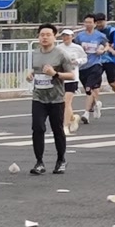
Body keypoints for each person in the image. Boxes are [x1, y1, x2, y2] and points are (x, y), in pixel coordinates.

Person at [27, 23, 75, 175]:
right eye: (42, 35)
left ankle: (61, 160)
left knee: (57, 130)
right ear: (38, 37)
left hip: (56, 98)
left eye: (48, 35)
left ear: (54, 37)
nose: (45, 38)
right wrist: (30, 74)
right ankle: (39, 162)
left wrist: (55, 74)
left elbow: (71, 75)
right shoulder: (35, 53)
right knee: (37, 128)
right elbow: (36, 69)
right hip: (38, 97)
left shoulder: (61, 54)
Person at [72, 15, 106, 125]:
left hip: (95, 64)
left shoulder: (100, 36)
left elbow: (107, 45)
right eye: (86, 22)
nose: (88, 24)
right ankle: (96, 103)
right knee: (89, 90)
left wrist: (102, 50)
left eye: (90, 22)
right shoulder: (80, 36)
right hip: (83, 66)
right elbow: (74, 47)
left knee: (88, 88)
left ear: (94, 24)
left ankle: (86, 113)